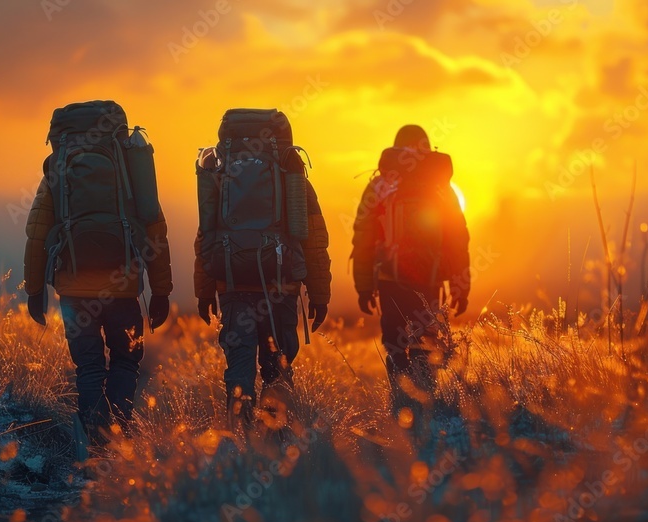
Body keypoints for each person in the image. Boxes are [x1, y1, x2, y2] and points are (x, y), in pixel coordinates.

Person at [24, 100, 172, 456]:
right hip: (123, 287)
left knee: (88, 366)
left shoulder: (56, 172)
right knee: (125, 360)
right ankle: (117, 435)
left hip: (75, 289)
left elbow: (37, 235)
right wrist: (161, 290)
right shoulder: (130, 171)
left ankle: (93, 440)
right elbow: (155, 229)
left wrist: (34, 292)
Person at [194, 108, 331, 432]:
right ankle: (276, 444)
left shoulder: (219, 173)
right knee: (277, 369)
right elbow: (313, 241)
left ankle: (241, 441)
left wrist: (204, 291)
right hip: (279, 289)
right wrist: (319, 293)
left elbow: (205, 236)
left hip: (233, 286)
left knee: (239, 368)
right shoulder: (292, 177)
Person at [351, 124, 470, 419]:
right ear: (428, 149)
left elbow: (363, 237)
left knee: (395, 346)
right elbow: (458, 237)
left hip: (389, 279)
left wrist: (364, 286)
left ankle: (401, 406)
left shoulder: (380, 185)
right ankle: (427, 409)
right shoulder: (441, 185)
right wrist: (460, 284)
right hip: (429, 281)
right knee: (426, 343)